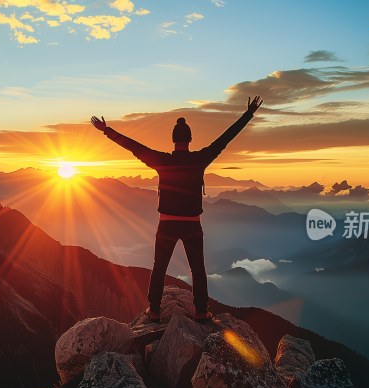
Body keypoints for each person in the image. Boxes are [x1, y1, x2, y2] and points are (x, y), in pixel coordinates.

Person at [91, 96, 263, 323]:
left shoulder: (161, 161)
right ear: (190, 139)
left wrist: (107, 130)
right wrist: (248, 114)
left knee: (159, 267)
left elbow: (133, 146)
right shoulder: (201, 159)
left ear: (172, 140)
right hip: (193, 224)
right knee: (198, 269)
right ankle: (201, 311)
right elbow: (225, 139)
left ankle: (153, 310)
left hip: (167, 223)